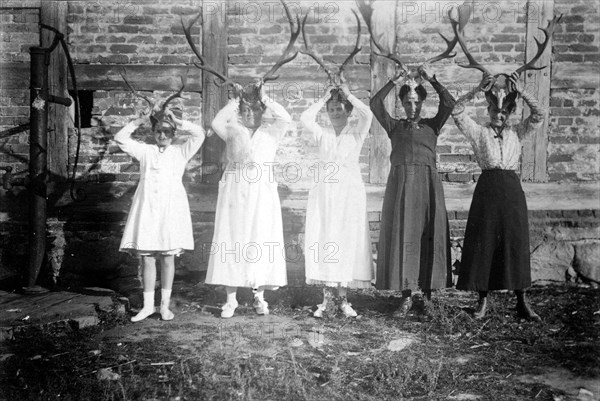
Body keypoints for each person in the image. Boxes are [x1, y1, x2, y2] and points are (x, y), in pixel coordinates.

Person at [452, 73, 544, 321]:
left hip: (512, 191)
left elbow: (539, 115)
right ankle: (482, 301)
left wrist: (522, 91)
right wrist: (476, 89)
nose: (498, 115)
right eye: (494, 110)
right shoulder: (479, 133)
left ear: (511, 113)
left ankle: (522, 301)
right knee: (484, 242)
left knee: (515, 243)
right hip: (487, 190)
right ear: (488, 109)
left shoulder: (518, 132)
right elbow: (457, 112)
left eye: (504, 112)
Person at [370, 64, 454, 316]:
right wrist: (393, 81)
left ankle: (426, 297)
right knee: (405, 238)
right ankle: (406, 297)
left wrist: (432, 79)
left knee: (428, 236)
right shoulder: (395, 127)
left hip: (428, 188)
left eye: (416, 102)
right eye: (407, 102)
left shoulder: (433, 125)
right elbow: (375, 104)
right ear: (402, 104)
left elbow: (449, 103)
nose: (412, 107)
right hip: (402, 188)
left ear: (422, 103)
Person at [205, 83, 292, 318]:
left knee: (260, 238)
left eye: (255, 110)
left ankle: (259, 296)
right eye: (245, 110)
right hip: (235, 190)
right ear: (240, 112)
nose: (250, 114)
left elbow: (285, 117)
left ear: (262, 111)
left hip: (262, 192)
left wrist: (265, 98)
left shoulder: (272, 132)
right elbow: (215, 123)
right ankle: (230, 300)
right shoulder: (232, 130)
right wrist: (234, 100)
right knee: (233, 237)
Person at [115, 109, 205, 322]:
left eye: (166, 131)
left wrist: (179, 121)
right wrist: (139, 120)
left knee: (167, 257)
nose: (162, 135)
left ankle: (164, 306)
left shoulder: (180, 152)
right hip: (147, 207)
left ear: (173, 133)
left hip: (171, 209)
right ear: (153, 132)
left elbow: (200, 134)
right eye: (158, 131)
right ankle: (147, 306)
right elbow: (120, 138)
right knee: (146, 258)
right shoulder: (145, 151)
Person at [300, 82, 374, 318]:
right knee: (326, 239)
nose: (335, 112)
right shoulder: (323, 134)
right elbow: (304, 118)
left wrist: (349, 94)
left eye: (340, 108)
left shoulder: (357, 132)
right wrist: (324, 98)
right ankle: (326, 300)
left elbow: (369, 114)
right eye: (331, 109)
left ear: (349, 110)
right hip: (325, 194)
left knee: (345, 240)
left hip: (350, 193)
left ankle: (343, 299)